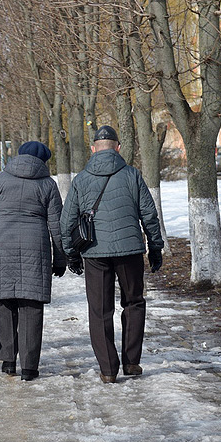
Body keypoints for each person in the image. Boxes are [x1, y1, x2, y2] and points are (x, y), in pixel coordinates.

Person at [60, 125, 164, 384]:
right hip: (129, 251)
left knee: (99, 310)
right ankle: (131, 362)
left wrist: (71, 254)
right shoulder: (132, 175)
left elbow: (67, 222)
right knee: (134, 302)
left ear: (93, 149)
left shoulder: (81, 179)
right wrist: (155, 246)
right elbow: (149, 214)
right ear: (118, 147)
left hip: (95, 253)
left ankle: (108, 369)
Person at [0, 141, 66, 381]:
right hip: (36, 246)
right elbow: (57, 225)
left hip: (1, 242)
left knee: (5, 303)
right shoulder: (47, 184)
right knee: (32, 307)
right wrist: (61, 257)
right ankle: (29, 367)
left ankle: (7, 361)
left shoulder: (1, 179)